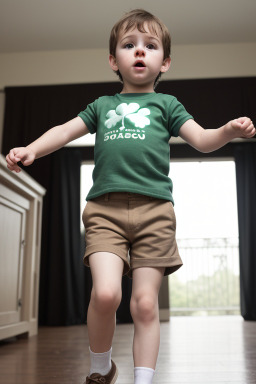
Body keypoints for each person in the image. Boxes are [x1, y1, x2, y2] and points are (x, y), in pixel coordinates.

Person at [5, 8, 255, 384]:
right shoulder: (102, 106)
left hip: (155, 213)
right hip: (104, 212)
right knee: (105, 295)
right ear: (113, 61)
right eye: (129, 45)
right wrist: (32, 150)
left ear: (164, 62)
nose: (140, 51)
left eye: (150, 46)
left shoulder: (167, 106)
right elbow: (64, 130)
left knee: (144, 303)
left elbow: (203, 140)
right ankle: (101, 368)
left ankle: (143, 380)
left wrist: (227, 130)